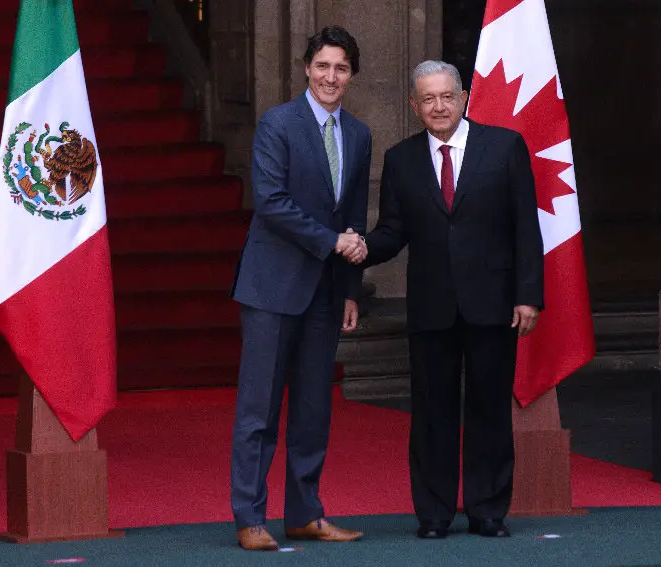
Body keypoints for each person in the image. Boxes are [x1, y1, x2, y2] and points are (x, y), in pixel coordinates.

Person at [362, 60, 543, 539]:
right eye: (428, 99)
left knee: (488, 410)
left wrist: (528, 296)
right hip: (431, 308)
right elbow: (392, 232)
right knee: (431, 414)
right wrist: (357, 248)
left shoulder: (503, 147)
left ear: (463, 98)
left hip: (495, 303)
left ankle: (487, 510)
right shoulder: (401, 159)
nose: (438, 107)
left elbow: (526, 225)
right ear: (414, 106)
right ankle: (435, 514)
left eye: (446, 96)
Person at [230, 25, 370, 551]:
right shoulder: (276, 124)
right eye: (322, 66)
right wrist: (332, 242)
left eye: (341, 68)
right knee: (259, 409)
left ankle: (305, 513)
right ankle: (249, 517)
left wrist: (352, 287)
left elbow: (353, 216)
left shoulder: (358, 134)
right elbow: (271, 202)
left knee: (314, 408)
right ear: (306, 68)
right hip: (272, 288)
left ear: (351, 76)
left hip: (327, 293)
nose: (331, 76)